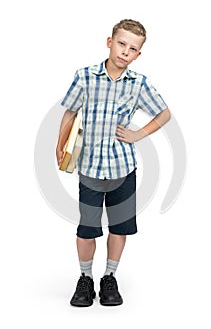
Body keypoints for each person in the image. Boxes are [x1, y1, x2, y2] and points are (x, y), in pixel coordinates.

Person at [56, 19, 171, 307]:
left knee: (119, 227)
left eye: (132, 49)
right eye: (121, 44)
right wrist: (60, 145)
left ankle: (110, 277)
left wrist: (137, 135)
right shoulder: (85, 77)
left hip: (123, 169)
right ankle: (85, 279)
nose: (125, 51)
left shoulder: (139, 84)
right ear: (110, 42)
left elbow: (164, 114)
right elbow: (70, 113)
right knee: (87, 228)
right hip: (90, 167)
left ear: (138, 55)